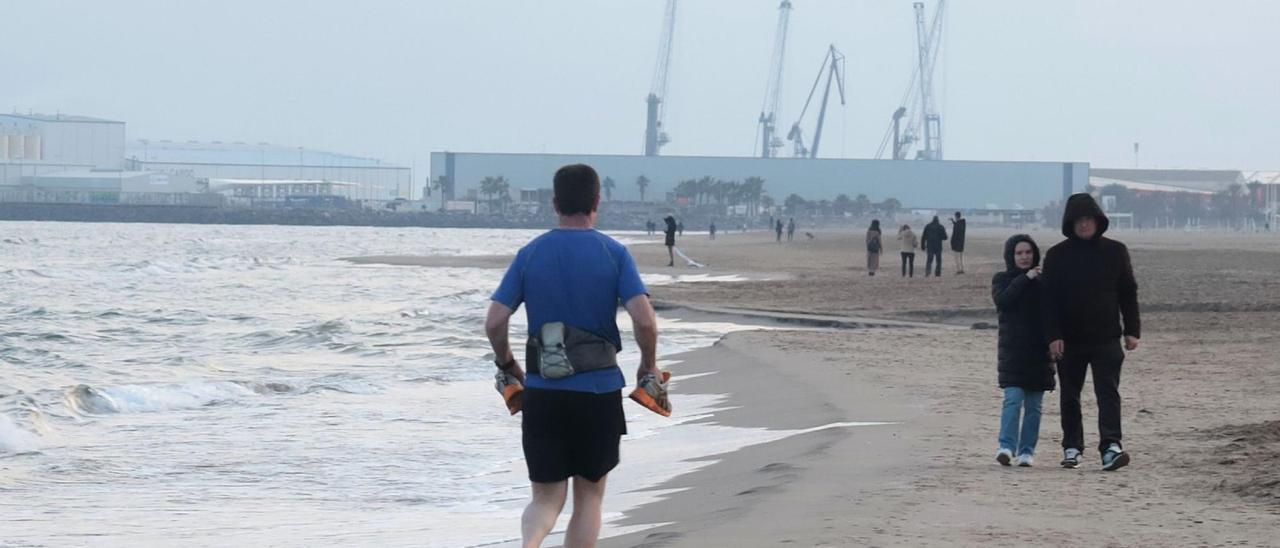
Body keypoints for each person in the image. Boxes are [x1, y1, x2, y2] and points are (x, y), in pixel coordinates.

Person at [485, 164, 660, 546]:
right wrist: (648, 364)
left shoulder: (530, 254)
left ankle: (530, 544)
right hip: (597, 393)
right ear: (597, 201)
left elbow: (495, 321)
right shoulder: (614, 253)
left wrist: (507, 364)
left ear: (554, 203)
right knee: (589, 497)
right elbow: (644, 321)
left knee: (545, 498)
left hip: (543, 392)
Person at [1041, 193, 1141, 471]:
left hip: (1106, 338)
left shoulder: (1116, 251)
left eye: (1088, 219)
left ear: (1098, 221)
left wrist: (1132, 330)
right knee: (1070, 395)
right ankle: (1072, 446)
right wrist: (1053, 336)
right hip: (1069, 341)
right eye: (1078, 221)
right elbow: (1047, 301)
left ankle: (1111, 446)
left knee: (1108, 393)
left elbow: (1128, 292)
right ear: (1069, 224)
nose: (1084, 225)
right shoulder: (1057, 256)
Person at [992, 234, 1055, 467]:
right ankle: (1006, 447)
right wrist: (1025, 278)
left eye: (1028, 252)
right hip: (1012, 353)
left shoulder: (1044, 282)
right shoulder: (1002, 279)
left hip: (1039, 354)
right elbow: (1004, 301)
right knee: (1012, 400)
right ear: (1011, 256)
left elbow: (1053, 312)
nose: (1024, 257)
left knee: (1034, 407)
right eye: (1019, 253)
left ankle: (1027, 451)